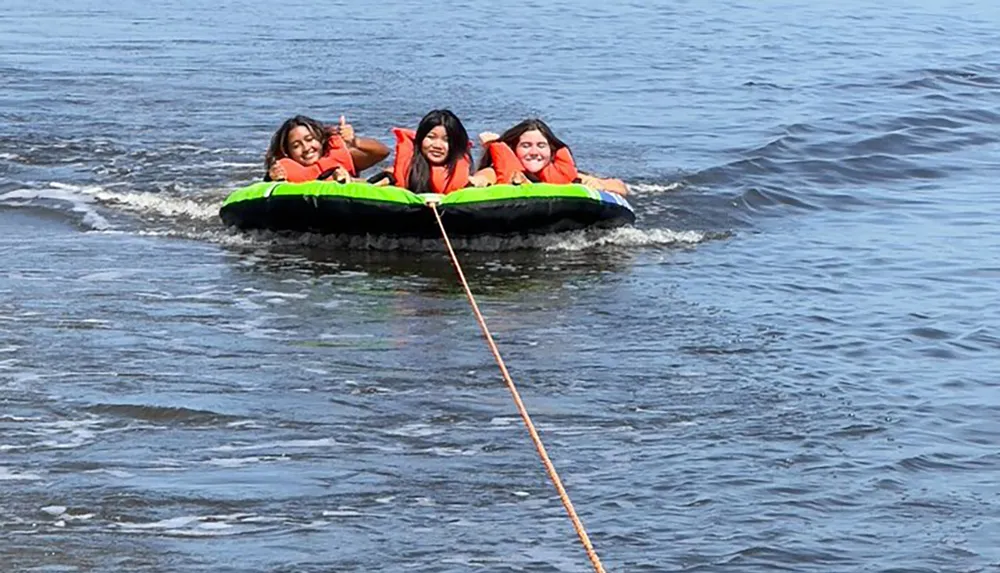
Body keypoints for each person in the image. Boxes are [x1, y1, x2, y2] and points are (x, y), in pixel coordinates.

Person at [477, 119, 628, 195]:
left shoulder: (564, 175)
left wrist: (597, 184)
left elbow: (621, 187)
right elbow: (481, 179)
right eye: (526, 146)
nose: (534, 152)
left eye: (541, 146)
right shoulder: (494, 173)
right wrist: (479, 182)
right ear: (513, 150)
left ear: (551, 151)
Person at [386, 109, 492, 194]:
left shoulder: (470, 178)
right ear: (420, 139)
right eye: (431, 137)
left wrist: (492, 144)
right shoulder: (399, 171)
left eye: (447, 140)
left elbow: (490, 175)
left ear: (456, 145)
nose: (437, 146)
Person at [264, 115, 389, 183]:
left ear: (320, 139)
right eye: (296, 146)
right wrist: (272, 178)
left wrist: (355, 141)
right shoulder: (283, 170)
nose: (306, 148)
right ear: (287, 151)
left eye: (309, 139)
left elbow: (382, 152)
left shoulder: (340, 157)